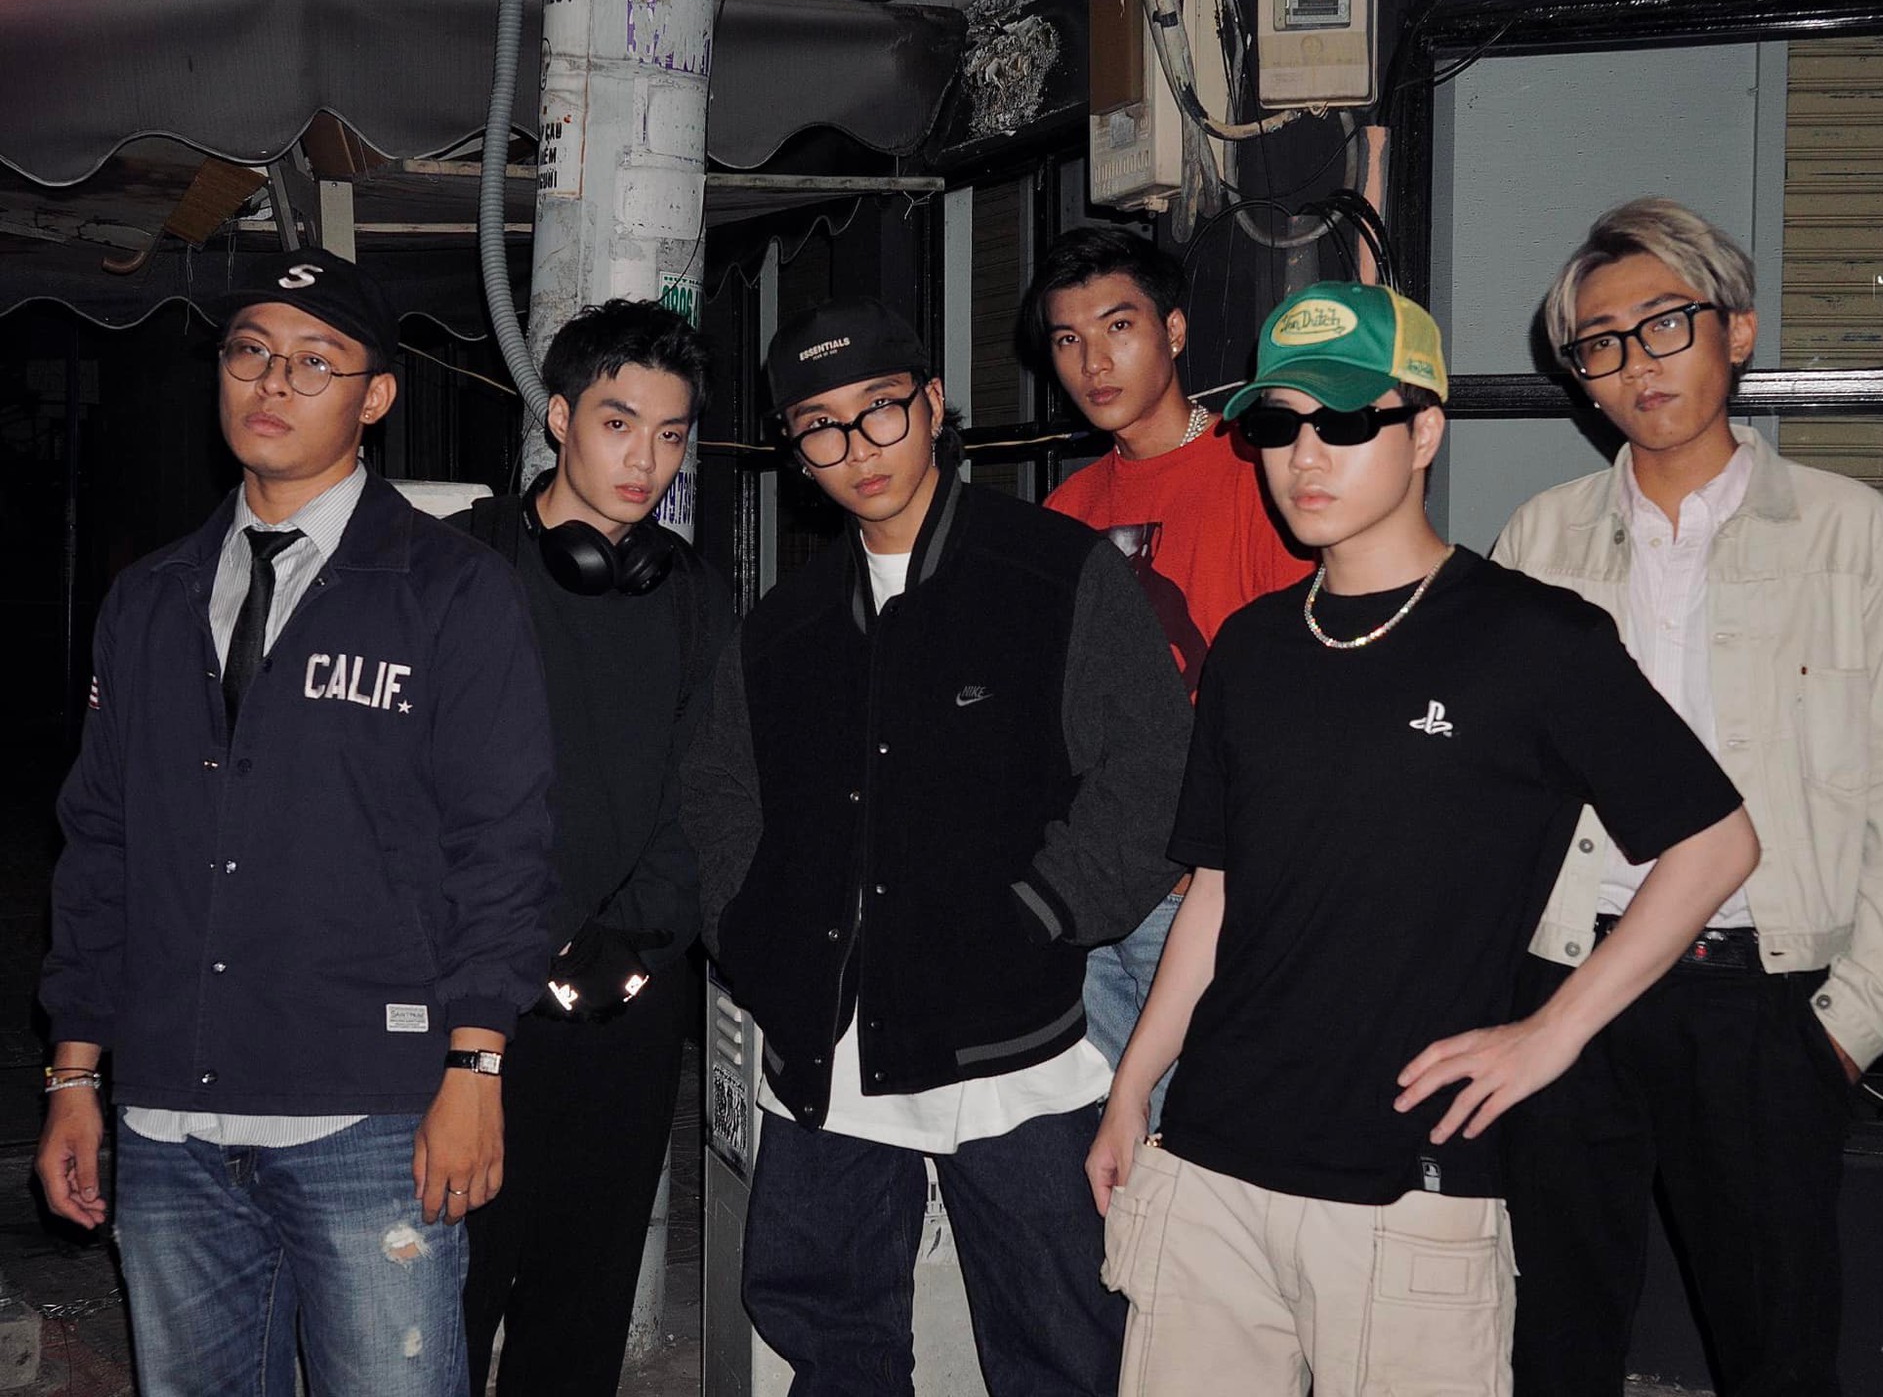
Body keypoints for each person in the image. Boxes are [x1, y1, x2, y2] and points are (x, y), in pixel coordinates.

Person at [1084, 280, 1761, 1397]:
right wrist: (1132, 1090)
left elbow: (1715, 843)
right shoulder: (1251, 647)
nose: (1306, 456)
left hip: (1406, 1185)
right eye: (1279, 425)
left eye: (1348, 420)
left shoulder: (1532, 638)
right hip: (1209, 1163)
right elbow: (1216, 888)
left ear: (1425, 432)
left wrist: (1551, 1033)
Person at [35, 248, 555, 1397]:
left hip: (370, 1113)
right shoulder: (152, 597)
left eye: (315, 362)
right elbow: (102, 841)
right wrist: (74, 1075)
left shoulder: (451, 591)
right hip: (171, 1117)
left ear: (376, 396)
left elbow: (503, 846)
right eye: (251, 353)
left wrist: (476, 1063)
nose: (273, 382)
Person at [682, 295, 1191, 1397]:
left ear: (932, 404)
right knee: (827, 1332)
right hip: (826, 1046)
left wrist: (1040, 914)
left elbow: (1156, 774)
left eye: (879, 410)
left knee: (1062, 1339)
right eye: (820, 427)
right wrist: (752, 934)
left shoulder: (1052, 574)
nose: (857, 449)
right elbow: (719, 797)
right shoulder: (782, 628)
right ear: (794, 451)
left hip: (1014, 1038)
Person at [1491, 197, 1883, 1396]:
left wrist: (1851, 1024)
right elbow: (1489, 792)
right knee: (1550, 1341)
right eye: (1599, 343)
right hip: (1568, 976)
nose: (1635, 363)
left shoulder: (1849, 538)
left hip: (1757, 999)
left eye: (1664, 324)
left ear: (1734, 331)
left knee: (1776, 1346)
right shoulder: (1538, 540)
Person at [453, 300, 732, 1395]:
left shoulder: (689, 593)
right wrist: (515, 951)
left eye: (670, 435)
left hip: (626, 997)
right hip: (471, 991)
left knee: (586, 1296)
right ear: (559, 417)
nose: (645, 462)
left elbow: (712, 787)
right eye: (619, 425)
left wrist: (632, 946)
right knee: (442, 1292)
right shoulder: (458, 563)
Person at [1023, 227, 1306, 1122]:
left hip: (1210, 891)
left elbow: (1302, 697)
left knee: (1209, 1146)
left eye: (1119, 327)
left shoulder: (1258, 474)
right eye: (1068, 339)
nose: (1093, 362)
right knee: (1111, 1158)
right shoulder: (1064, 512)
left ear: (1174, 331)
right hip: (1092, 882)